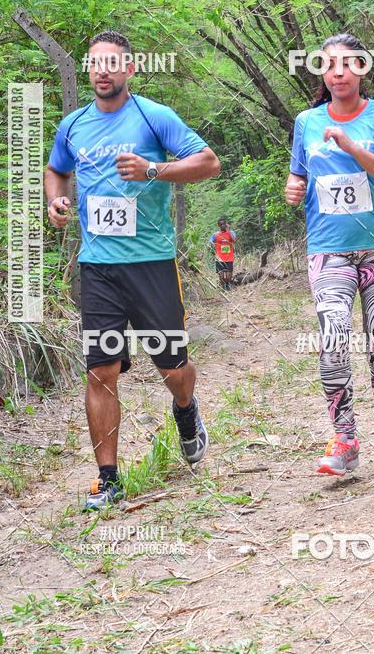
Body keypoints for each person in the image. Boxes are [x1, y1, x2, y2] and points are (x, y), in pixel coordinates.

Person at [45, 30, 221, 510]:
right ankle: (108, 479)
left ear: (129, 69)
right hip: (98, 268)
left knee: (173, 369)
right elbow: (56, 169)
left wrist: (152, 170)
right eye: (94, 63)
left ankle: (185, 409)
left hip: (151, 264)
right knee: (100, 372)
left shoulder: (154, 117)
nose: (102, 71)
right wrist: (55, 200)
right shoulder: (73, 125)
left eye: (111, 63)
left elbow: (208, 163)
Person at [285, 33, 374, 477]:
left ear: (363, 69)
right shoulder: (306, 121)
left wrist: (353, 148)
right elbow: (298, 178)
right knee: (334, 339)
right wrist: (292, 189)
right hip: (328, 250)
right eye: (329, 65)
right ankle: (344, 440)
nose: (337, 73)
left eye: (346, 64)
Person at [209, 218, 237, 290]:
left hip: (229, 257)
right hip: (219, 258)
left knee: (228, 277)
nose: (223, 226)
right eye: (221, 224)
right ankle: (223, 289)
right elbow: (210, 241)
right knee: (221, 276)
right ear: (218, 225)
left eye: (224, 224)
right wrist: (212, 244)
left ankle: (228, 286)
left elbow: (234, 240)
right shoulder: (215, 234)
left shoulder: (231, 233)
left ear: (226, 224)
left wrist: (229, 230)